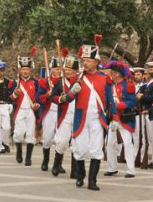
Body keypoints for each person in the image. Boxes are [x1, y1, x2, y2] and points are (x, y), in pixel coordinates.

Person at [60, 35, 116, 191]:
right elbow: (68, 99)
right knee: (79, 149)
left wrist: (115, 118)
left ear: (96, 62)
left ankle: (92, 181)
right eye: (83, 60)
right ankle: (80, 176)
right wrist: (73, 92)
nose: (84, 62)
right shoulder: (78, 78)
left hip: (98, 118)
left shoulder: (104, 79)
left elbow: (110, 100)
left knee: (96, 149)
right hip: (81, 118)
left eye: (88, 60)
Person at [104, 61, 137, 178]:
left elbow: (133, 101)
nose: (111, 74)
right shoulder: (111, 86)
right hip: (113, 119)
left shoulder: (128, 85)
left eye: (112, 72)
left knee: (127, 143)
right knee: (110, 144)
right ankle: (112, 168)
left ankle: (131, 170)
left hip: (124, 118)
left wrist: (120, 105)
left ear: (118, 74)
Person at [50, 52, 79, 177]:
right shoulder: (59, 82)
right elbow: (52, 97)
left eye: (71, 70)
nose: (68, 72)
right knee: (62, 142)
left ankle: (75, 171)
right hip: (65, 115)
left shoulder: (80, 82)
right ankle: (56, 164)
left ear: (76, 71)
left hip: (77, 115)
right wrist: (60, 99)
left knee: (76, 144)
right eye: (66, 69)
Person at [11, 52, 39, 165]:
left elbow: (38, 96)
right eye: (23, 69)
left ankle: (28, 158)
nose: (25, 71)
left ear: (30, 70)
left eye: (27, 69)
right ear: (20, 70)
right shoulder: (15, 83)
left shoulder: (35, 82)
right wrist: (15, 94)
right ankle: (19, 151)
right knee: (18, 134)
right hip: (20, 111)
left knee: (30, 135)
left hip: (31, 111)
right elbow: (11, 98)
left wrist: (37, 105)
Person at [37, 55, 60, 171]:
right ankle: (45, 160)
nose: (58, 71)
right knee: (47, 138)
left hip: (62, 112)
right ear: (51, 69)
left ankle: (58, 164)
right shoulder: (44, 82)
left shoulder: (64, 81)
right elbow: (38, 98)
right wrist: (47, 94)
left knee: (60, 140)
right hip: (49, 112)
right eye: (56, 68)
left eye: (60, 68)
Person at [137, 61, 153, 169]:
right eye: (151, 69)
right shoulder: (149, 84)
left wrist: (142, 97)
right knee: (151, 139)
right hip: (146, 113)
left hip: (151, 113)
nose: (152, 71)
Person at [132, 67, 147, 162]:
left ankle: (141, 158)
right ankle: (135, 156)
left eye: (138, 75)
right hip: (134, 113)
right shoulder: (134, 86)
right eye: (135, 75)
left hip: (140, 113)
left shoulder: (145, 87)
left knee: (141, 137)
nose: (136, 76)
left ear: (143, 76)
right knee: (135, 136)